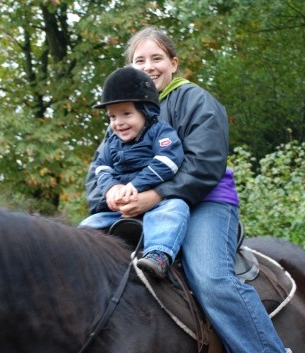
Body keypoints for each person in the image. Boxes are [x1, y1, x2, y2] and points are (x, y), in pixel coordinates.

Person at [85, 26, 291, 353]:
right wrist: (109, 197)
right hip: (139, 206)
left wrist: (153, 196)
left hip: (205, 201)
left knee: (211, 281)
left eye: (157, 58)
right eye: (140, 60)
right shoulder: (122, 115)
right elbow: (99, 171)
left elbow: (206, 163)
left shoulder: (196, 101)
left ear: (174, 63)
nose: (149, 66)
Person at [80, 66, 190, 278]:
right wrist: (111, 188)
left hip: (156, 201)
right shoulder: (112, 141)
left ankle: (159, 254)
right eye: (112, 117)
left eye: (126, 114)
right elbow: (102, 167)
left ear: (146, 112)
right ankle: (77, 254)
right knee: (88, 225)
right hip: (121, 205)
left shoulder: (160, 132)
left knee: (175, 208)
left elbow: (168, 161)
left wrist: (135, 186)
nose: (118, 123)